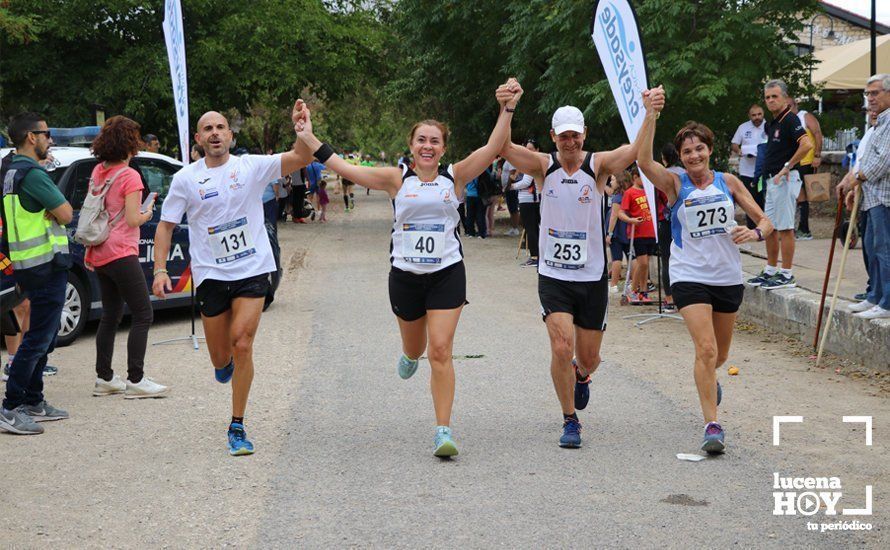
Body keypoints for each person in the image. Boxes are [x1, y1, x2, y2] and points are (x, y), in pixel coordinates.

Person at [291, 79, 522, 456]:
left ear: (443, 148)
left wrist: (507, 107)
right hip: (405, 278)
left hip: (447, 273)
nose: (428, 146)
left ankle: (443, 431)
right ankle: (409, 353)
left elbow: (495, 147)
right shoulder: (396, 178)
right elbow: (343, 167)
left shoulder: (456, 176)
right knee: (415, 349)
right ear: (412, 147)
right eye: (421, 140)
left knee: (441, 350)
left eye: (435, 141)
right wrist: (308, 135)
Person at [152, 108, 312, 455]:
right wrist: (160, 270)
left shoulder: (250, 167)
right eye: (207, 128)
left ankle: (237, 424)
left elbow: (303, 156)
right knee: (220, 357)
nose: (215, 133)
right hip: (211, 274)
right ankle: (223, 365)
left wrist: (302, 129)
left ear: (230, 135)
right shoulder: (185, 179)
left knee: (243, 343)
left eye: (221, 127)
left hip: (253, 269)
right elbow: (165, 227)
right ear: (198, 139)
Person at [637, 86, 773, 453]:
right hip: (689, 275)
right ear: (680, 157)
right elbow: (643, 161)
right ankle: (712, 425)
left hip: (727, 276)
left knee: (721, 356)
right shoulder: (675, 183)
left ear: (710, 150)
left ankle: (709, 381)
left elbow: (767, 221)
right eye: (686, 151)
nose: (694, 155)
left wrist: (755, 231)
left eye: (699, 148)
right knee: (706, 349)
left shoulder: (728, 183)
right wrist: (651, 114)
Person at [500, 104, 641, 448]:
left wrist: (649, 116)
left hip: (592, 275)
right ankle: (570, 420)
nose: (570, 141)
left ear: (584, 134)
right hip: (554, 275)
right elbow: (503, 147)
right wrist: (507, 109)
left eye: (575, 134)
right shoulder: (542, 166)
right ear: (554, 137)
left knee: (589, 358)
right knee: (562, 346)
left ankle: (581, 373)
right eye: (563, 135)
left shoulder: (598, 165)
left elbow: (636, 151)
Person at [84, 116, 169, 399]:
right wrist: (149, 211)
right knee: (144, 313)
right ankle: (136, 379)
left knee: (111, 315)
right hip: (121, 252)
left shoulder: (99, 170)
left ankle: (104, 376)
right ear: (130, 143)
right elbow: (133, 219)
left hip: (99, 252)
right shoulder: (130, 175)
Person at [0, 113, 72, 435]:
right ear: (32, 137)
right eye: (47, 133)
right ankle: (11, 406)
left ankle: (33, 399)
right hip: (46, 266)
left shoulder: (9, 170)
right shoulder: (32, 174)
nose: (50, 140)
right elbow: (67, 213)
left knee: (41, 336)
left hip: (28, 264)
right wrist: (55, 210)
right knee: (39, 339)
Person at [746, 80, 813, 290]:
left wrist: (787, 166)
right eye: (767, 97)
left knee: (786, 227)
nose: (771, 101)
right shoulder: (773, 122)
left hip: (785, 178)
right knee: (770, 227)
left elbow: (807, 144)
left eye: (775, 96)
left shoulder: (790, 119)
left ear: (785, 98)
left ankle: (787, 273)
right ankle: (771, 269)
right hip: (772, 179)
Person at [841, 74, 890, 320]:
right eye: (867, 94)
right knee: (872, 248)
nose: (870, 98)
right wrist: (855, 185)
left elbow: (883, 162)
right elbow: (866, 158)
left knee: (884, 249)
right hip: (871, 196)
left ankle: (887, 302)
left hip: (885, 197)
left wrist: (856, 177)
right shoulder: (878, 123)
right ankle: (876, 297)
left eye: (875, 93)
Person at [619, 165, 656, 303]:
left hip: (651, 232)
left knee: (646, 264)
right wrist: (631, 220)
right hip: (638, 233)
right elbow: (621, 213)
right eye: (643, 176)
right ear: (635, 177)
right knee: (643, 263)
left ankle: (643, 291)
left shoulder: (649, 191)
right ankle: (633, 290)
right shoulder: (630, 192)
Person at [788, 97, 823, 240]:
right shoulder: (787, 120)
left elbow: (818, 134)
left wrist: (817, 155)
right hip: (794, 162)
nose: (788, 108)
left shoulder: (804, 116)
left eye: (789, 105)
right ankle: (801, 227)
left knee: (802, 195)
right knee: (797, 196)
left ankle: (805, 229)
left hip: (806, 161)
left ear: (795, 104)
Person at [731, 105, 767, 229]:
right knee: (749, 199)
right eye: (754, 115)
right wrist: (740, 151)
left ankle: (764, 226)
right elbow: (734, 144)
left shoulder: (769, 127)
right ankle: (752, 227)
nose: (757, 117)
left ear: (763, 114)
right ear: (749, 116)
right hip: (747, 170)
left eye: (759, 114)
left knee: (763, 199)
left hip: (763, 171)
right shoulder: (743, 127)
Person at [510, 140, 542, 267]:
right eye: (526, 148)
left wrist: (512, 186)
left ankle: (535, 256)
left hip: (529, 200)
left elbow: (526, 182)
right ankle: (537, 255)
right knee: (533, 228)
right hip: (530, 199)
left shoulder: (532, 163)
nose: (528, 151)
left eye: (531, 148)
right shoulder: (534, 162)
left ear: (537, 150)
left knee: (531, 228)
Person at [606, 172, 632, 293]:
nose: (611, 182)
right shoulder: (630, 194)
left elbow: (614, 216)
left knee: (616, 257)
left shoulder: (617, 197)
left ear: (619, 182)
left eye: (613, 180)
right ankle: (632, 283)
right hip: (628, 230)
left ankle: (613, 285)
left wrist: (609, 233)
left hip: (617, 231)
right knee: (631, 256)